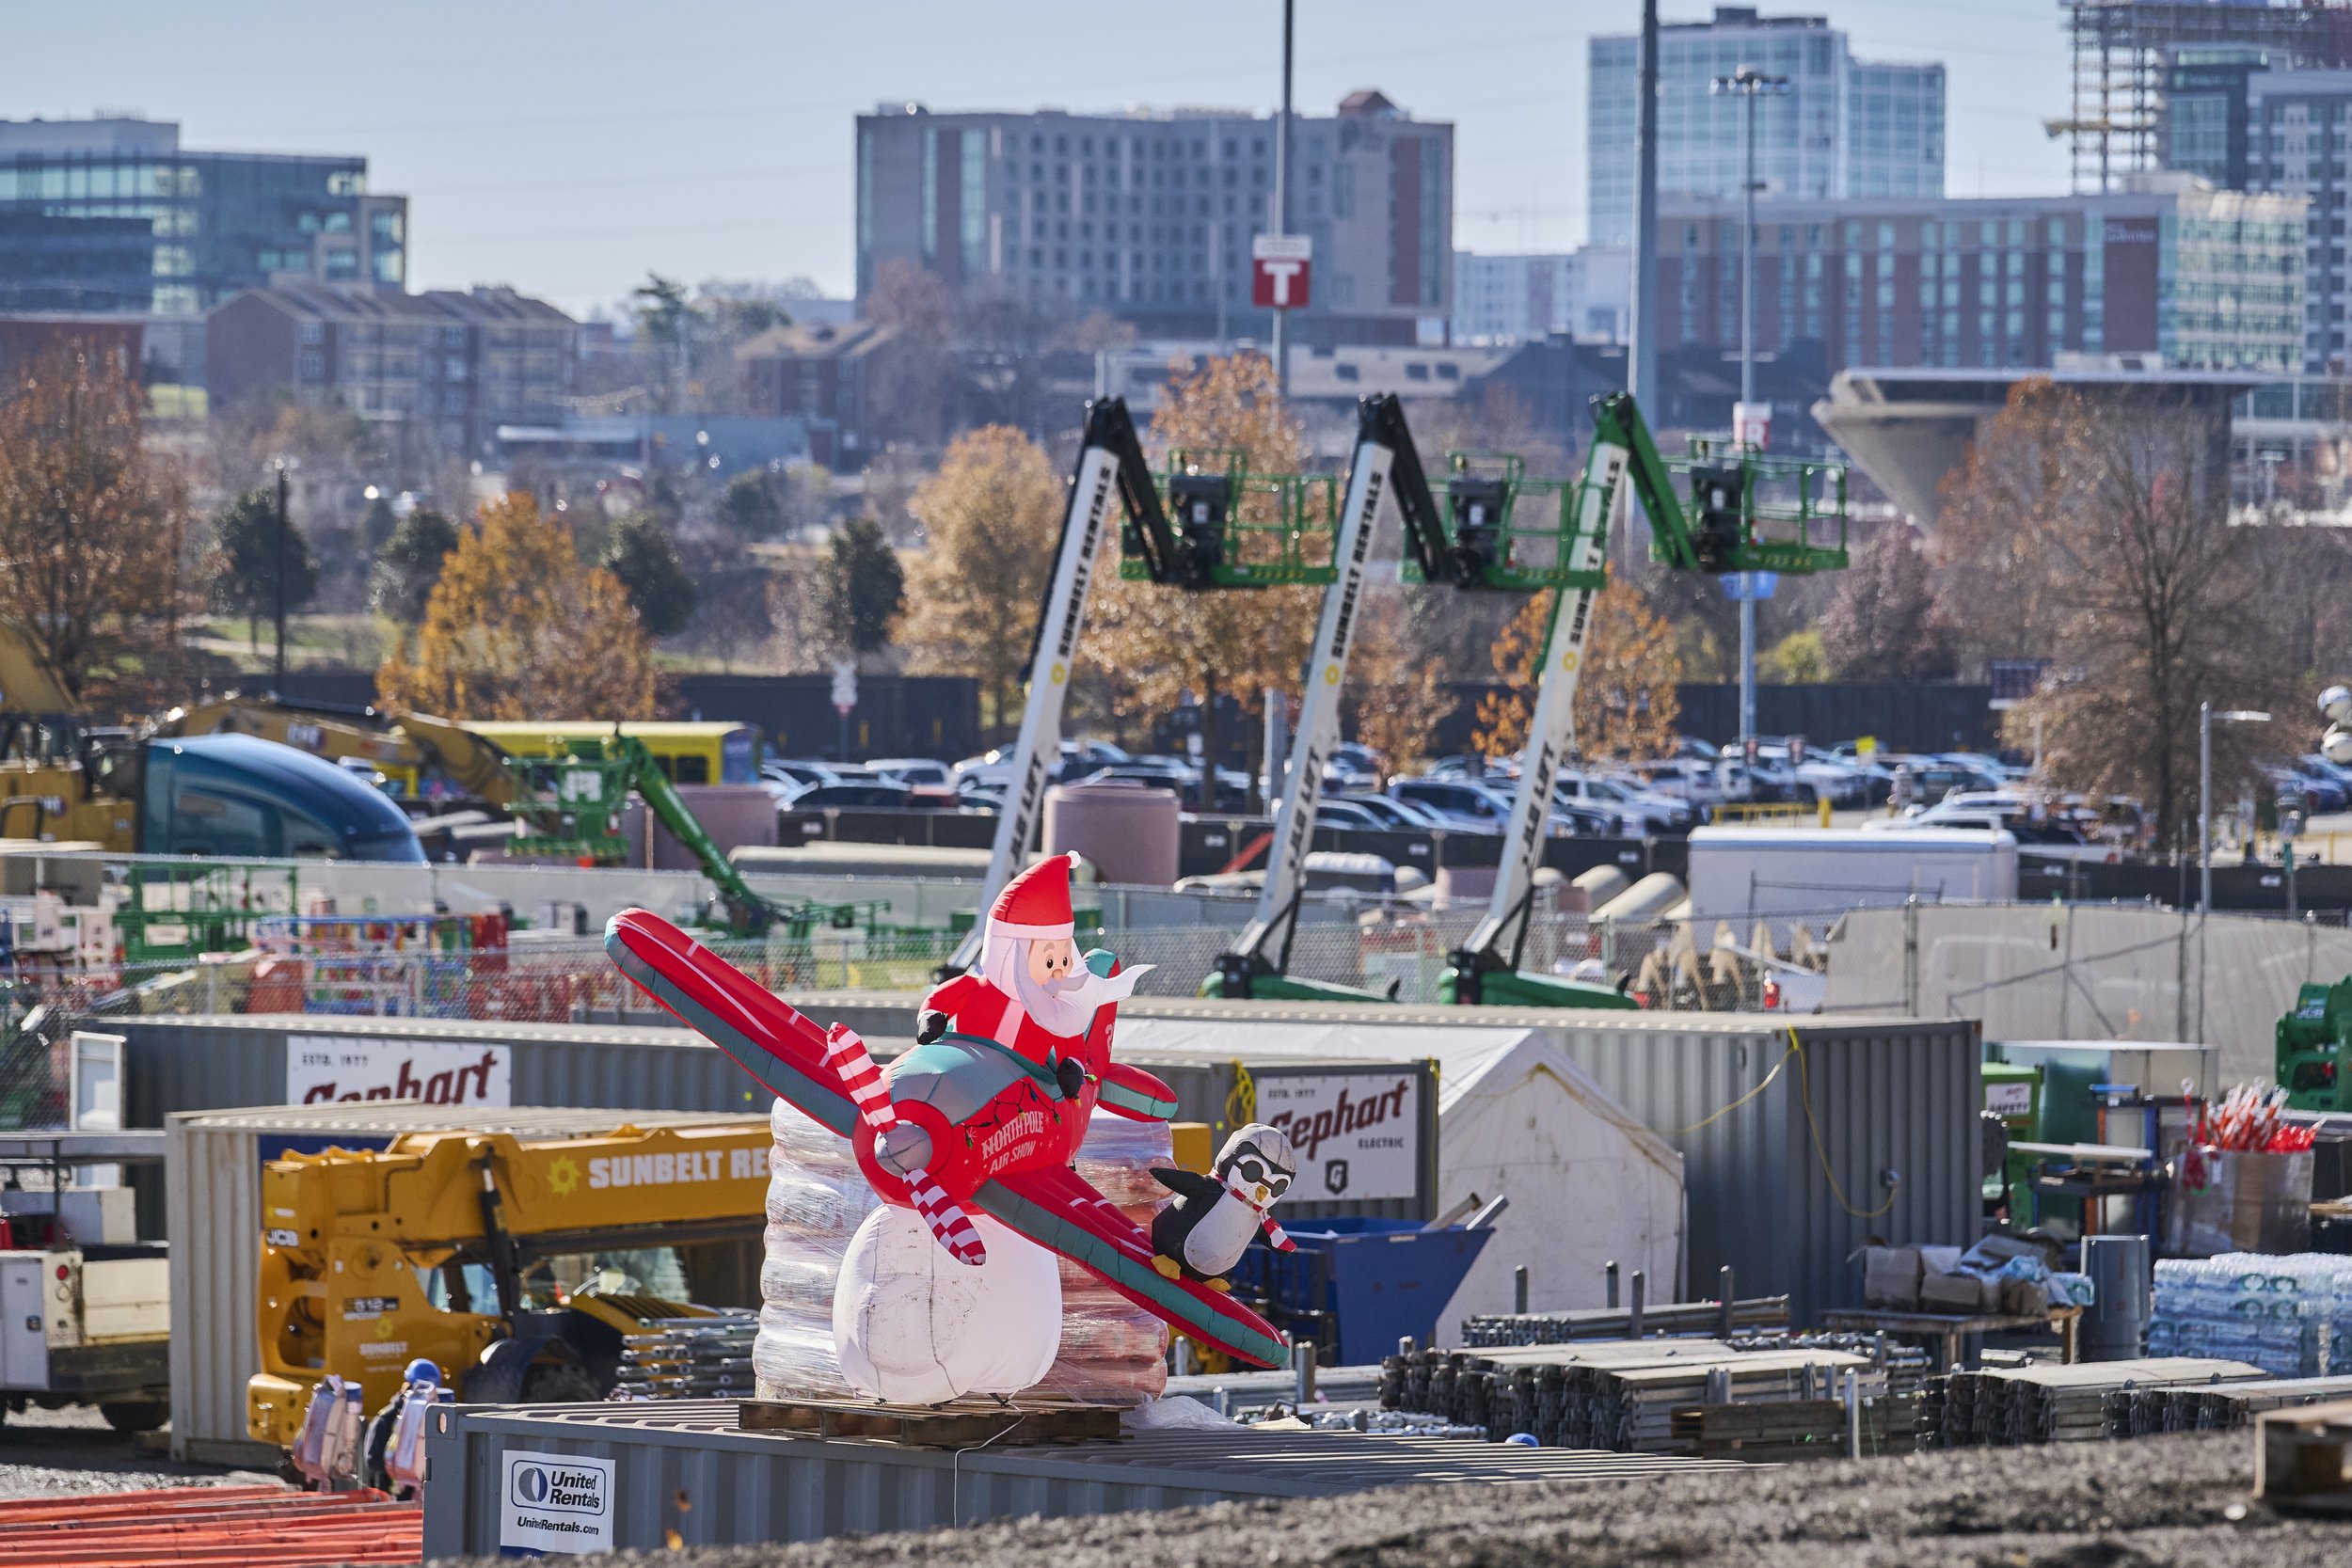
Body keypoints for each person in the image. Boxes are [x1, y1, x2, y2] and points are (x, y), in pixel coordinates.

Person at [917, 854, 1152, 1094]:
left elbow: (1070, 1043)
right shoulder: (975, 988)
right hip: (968, 1072)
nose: (1058, 970)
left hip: (1021, 1090)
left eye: (1064, 960)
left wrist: (1073, 1065)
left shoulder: (1053, 1010)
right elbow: (940, 999)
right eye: (1050, 961)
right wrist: (930, 1017)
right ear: (1007, 950)